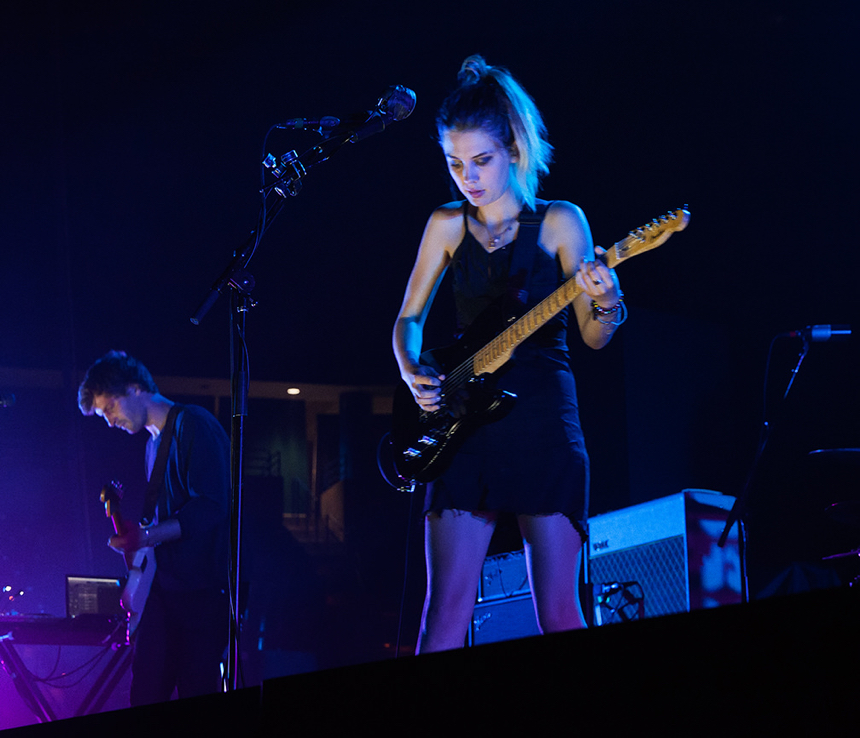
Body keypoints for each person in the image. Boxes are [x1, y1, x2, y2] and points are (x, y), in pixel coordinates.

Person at [393, 55, 625, 653]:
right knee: (442, 615)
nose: (466, 177)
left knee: (557, 611)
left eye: (481, 161)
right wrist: (411, 366)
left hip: (543, 423)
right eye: (454, 163)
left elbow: (595, 338)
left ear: (515, 148)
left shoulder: (560, 223)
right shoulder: (446, 224)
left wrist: (606, 299)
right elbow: (408, 319)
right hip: (463, 423)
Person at [78, 350, 231, 705]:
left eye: (110, 408)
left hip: (201, 593)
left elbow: (211, 506)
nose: (109, 421)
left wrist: (146, 536)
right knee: (145, 691)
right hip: (165, 592)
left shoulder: (194, 423)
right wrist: (141, 539)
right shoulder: (151, 446)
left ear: (134, 389)